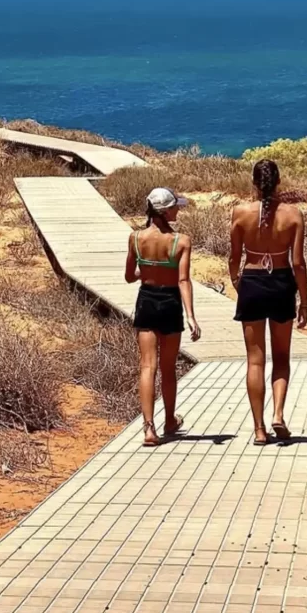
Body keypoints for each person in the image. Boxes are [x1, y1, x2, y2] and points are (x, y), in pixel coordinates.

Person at [229, 159, 307, 445]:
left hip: (251, 282)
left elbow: (234, 257)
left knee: (255, 360)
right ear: (279, 183)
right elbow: (298, 263)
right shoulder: (294, 215)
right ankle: (278, 414)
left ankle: (259, 429)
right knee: (282, 357)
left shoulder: (240, 212)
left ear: (253, 183)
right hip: (281, 283)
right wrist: (305, 300)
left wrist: (236, 281)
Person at [125, 187, 201, 446]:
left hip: (146, 300)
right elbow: (183, 280)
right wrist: (191, 315)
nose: (178, 209)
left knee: (147, 366)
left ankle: (148, 428)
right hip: (170, 303)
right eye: (175, 206)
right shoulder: (181, 241)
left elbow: (128, 276)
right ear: (166, 210)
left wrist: (146, 272)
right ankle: (169, 419)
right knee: (167, 368)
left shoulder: (135, 238)